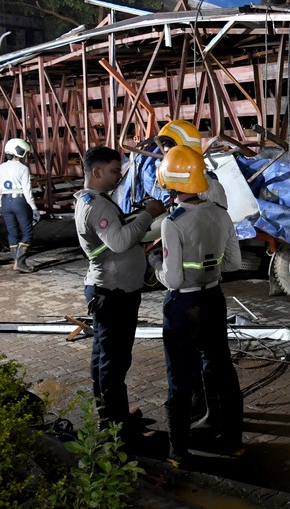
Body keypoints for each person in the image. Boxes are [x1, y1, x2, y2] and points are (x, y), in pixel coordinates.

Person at [149, 145, 243, 467]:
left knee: (180, 376)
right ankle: (232, 440)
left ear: (171, 183)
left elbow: (173, 279)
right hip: (213, 299)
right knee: (221, 368)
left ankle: (179, 451)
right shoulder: (220, 213)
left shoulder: (172, 223)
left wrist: (155, 265)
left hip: (183, 304)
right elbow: (232, 264)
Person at [74, 146, 165, 445]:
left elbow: (116, 233)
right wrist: (148, 215)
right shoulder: (97, 205)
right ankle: (120, 432)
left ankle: (112, 417)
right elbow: (118, 240)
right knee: (114, 362)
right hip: (114, 294)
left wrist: (134, 218)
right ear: (97, 172)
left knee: (104, 358)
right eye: (114, 171)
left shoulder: (93, 200)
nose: (118, 176)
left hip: (109, 290)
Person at [156, 119, 227, 207]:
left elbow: (217, 217)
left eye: (170, 153)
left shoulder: (210, 188)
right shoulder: (179, 181)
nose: (168, 159)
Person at [0, 138, 40, 272]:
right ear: (20, 151)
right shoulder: (23, 168)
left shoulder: (1, 167)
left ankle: (16, 261)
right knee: (27, 232)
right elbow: (27, 191)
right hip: (19, 202)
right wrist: (34, 208)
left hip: (5, 202)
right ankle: (20, 263)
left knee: (12, 232)